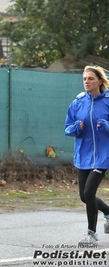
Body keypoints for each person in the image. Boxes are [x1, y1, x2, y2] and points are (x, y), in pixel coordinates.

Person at [64, 65, 109, 245]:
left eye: (90, 79)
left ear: (99, 81)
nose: (87, 82)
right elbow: (67, 128)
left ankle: (91, 234)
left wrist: (106, 127)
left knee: (89, 192)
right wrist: (76, 128)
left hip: (103, 155)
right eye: (84, 79)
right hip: (83, 155)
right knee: (84, 196)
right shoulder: (78, 102)